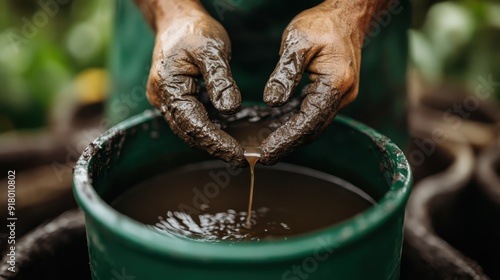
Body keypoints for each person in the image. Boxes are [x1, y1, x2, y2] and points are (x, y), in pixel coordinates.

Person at [106, 0, 410, 166]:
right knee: (141, 165)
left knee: (363, 172)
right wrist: (168, 12)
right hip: (172, 30)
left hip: (344, 38)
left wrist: (351, 14)